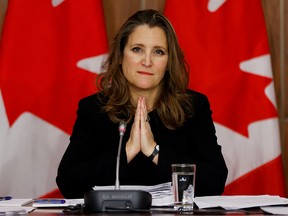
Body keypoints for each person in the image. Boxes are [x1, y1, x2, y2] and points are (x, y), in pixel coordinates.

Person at [56, 9, 228, 199]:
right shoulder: (94, 109)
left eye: (158, 52)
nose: (147, 61)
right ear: (121, 56)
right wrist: (128, 151)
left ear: (169, 61)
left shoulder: (193, 107)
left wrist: (154, 151)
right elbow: (68, 182)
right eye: (137, 49)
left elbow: (215, 181)